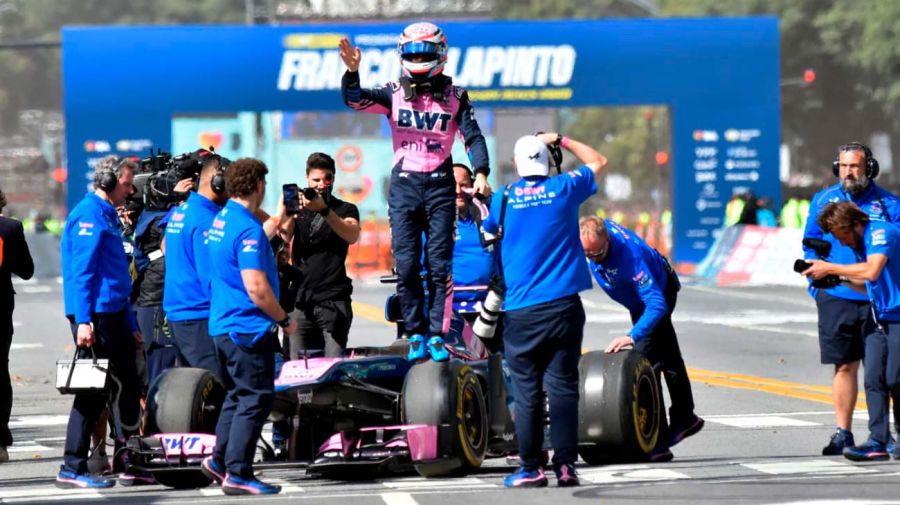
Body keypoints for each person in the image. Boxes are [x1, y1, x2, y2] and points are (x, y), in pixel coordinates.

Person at [339, 22, 491, 350]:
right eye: (412, 53)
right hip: (405, 186)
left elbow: (474, 137)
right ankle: (416, 332)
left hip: (440, 185)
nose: (418, 59)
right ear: (401, 55)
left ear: (440, 55)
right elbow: (355, 100)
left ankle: (438, 332)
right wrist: (352, 72)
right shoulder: (393, 94)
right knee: (406, 265)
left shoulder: (456, 97)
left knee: (439, 263)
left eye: (424, 53)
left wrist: (481, 172)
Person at [482, 132, 607, 488]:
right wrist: (564, 140)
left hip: (521, 309)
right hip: (564, 306)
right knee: (564, 387)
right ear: (546, 161)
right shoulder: (565, 188)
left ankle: (530, 467)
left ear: (518, 164)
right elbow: (599, 161)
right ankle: (566, 466)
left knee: (527, 392)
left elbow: (490, 231)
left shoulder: (504, 198)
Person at [200, 158, 298, 496]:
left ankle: (219, 459)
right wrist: (283, 317)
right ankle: (239, 472)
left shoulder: (223, 218)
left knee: (237, 395)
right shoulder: (246, 228)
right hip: (245, 327)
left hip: (222, 325)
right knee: (256, 398)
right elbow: (256, 287)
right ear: (258, 186)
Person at [579, 216, 704, 462]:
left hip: (656, 295)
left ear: (608, 239)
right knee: (667, 356)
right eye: (588, 255)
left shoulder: (629, 257)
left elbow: (656, 304)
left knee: (647, 361)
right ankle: (684, 418)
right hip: (636, 301)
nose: (594, 259)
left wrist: (632, 336)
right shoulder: (587, 236)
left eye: (598, 252)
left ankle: (656, 442)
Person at [804, 142, 900, 455]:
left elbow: (887, 254)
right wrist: (818, 288)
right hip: (838, 295)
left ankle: (887, 435)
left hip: (879, 300)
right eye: (844, 166)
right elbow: (810, 246)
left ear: (868, 168)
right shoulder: (823, 200)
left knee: (885, 373)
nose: (848, 172)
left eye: (855, 166)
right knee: (844, 365)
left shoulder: (888, 206)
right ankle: (843, 432)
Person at [57, 158, 143, 489]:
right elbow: (83, 274)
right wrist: (83, 321)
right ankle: (72, 465)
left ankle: (128, 457)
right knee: (92, 393)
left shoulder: (107, 215)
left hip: (116, 314)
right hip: (96, 318)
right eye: (126, 183)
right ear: (107, 181)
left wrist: (130, 319)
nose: (131, 189)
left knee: (129, 387)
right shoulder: (89, 215)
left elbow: (115, 276)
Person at [278, 152, 360, 358]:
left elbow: (351, 235)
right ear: (307, 179)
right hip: (301, 299)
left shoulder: (345, 208)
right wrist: (288, 212)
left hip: (333, 299)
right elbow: (284, 238)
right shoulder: (300, 210)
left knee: (333, 365)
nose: (321, 184)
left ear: (333, 178)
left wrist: (325, 211)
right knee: (295, 367)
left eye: (327, 178)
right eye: (316, 180)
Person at [163, 154, 230, 379]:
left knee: (191, 389)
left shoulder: (180, 211)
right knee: (214, 388)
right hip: (199, 314)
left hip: (179, 313)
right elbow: (210, 275)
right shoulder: (206, 219)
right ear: (217, 182)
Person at [0, 187, 34, 464]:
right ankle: (0, 438)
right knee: (0, 370)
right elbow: (27, 270)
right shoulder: (10, 228)